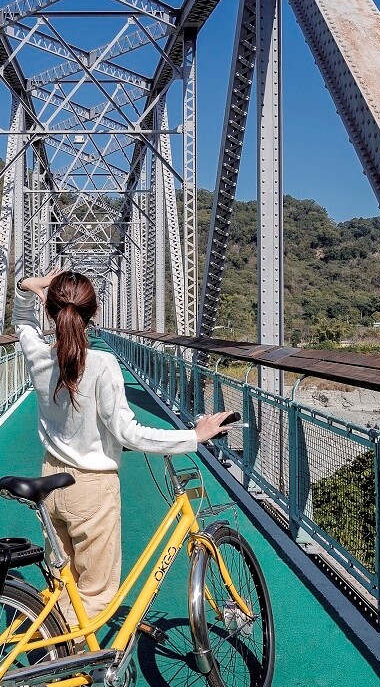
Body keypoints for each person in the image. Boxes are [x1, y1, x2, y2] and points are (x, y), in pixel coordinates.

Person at [14, 269, 236, 629]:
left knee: (62, 583)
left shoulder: (39, 356)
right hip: (90, 490)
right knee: (97, 593)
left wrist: (27, 287)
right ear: (93, 313)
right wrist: (194, 437)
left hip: (50, 478)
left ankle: (51, 650)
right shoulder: (102, 364)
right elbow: (127, 433)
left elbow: (22, 321)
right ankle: (65, 667)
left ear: (51, 311)